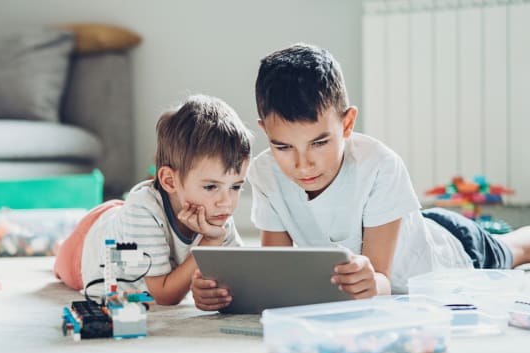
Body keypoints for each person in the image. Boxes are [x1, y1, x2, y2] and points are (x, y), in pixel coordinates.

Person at [191, 43, 530, 311]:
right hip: (401, 222)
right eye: (283, 146)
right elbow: (277, 271)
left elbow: (381, 279)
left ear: (348, 124)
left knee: (514, 248)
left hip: (451, 248)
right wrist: (222, 292)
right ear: (265, 132)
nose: (303, 164)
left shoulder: (380, 165)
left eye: (319, 143)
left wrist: (372, 283)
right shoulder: (265, 172)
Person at [54, 94, 253, 305]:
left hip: (128, 222)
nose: (226, 201)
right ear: (169, 181)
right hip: (90, 241)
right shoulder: (144, 211)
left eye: (236, 186)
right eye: (211, 186)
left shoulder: (217, 214)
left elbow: (236, 279)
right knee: (61, 265)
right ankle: (59, 246)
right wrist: (210, 242)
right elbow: (164, 295)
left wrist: (209, 289)